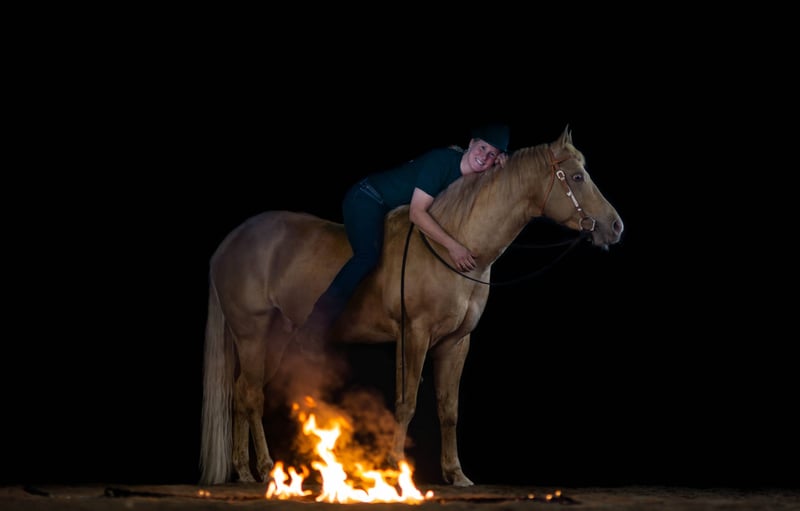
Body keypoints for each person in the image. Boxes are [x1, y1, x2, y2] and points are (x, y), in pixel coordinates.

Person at [297, 123, 510, 358]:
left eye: (492, 154)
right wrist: (454, 247)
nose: (484, 157)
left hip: (394, 214)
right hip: (368, 198)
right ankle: (314, 324)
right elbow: (417, 213)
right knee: (368, 256)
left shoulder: (476, 175)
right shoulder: (441, 161)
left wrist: (503, 169)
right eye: (482, 148)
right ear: (471, 143)